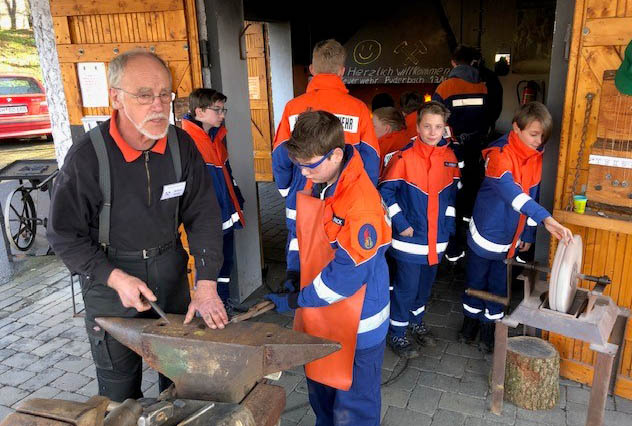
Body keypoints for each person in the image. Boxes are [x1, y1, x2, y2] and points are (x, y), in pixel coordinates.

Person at [47, 49, 227, 402]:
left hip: (170, 273)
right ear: (115, 97)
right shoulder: (88, 156)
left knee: (180, 383)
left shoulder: (181, 146)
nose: (158, 106)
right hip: (110, 280)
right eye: (144, 95)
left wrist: (206, 283)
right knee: (118, 395)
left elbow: (203, 214)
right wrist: (115, 278)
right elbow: (64, 234)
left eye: (165, 95)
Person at [266, 111, 391, 426]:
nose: (304, 174)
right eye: (299, 166)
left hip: (357, 322)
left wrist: (298, 301)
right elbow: (300, 235)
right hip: (321, 313)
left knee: (352, 411)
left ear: (336, 154)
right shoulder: (316, 180)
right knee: (322, 397)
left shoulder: (360, 204)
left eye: (309, 166)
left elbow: (346, 277)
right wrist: (294, 274)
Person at [460, 102, 572, 353]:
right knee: (477, 279)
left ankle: (490, 327)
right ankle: (470, 321)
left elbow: (533, 193)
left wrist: (529, 232)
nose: (539, 140)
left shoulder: (536, 158)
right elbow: (514, 195)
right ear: (516, 128)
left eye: (542, 135)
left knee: (500, 283)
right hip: (486, 231)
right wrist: (546, 219)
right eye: (534, 134)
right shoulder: (498, 154)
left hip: (513, 234)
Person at [271, 39, 380, 280]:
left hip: (303, 190)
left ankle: (298, 296)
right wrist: (365, 193)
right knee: (337, 248)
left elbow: (280, 153)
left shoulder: (293, 107)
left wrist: (286, 189)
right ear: (342, 71)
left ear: (312, 69)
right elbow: (371, 158)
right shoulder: (359, 108)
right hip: (345, 196)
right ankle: (328, 300)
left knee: (299, 243)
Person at [379, 102, 460, 358]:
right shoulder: (404, 157)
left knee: (424, 288)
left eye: (438, 127)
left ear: (444, 128)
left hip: (437, 240)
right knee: (405, 289)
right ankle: (398, 333)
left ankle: (416, 323)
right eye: (427, 126)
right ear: (417, 127)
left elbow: (452, 199)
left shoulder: (449, 157)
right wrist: (401, 224)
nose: (433, 132)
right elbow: (385, 193)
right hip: (409, 241)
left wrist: (448, 228)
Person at [181, 88, 245, 313]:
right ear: (199, 111)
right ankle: (206, 311)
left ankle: (222, 306)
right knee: (209, 268)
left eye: (222, 109)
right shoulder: (189, 143)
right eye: (217, 110)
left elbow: (227, 178)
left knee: (225, 265)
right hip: (208, 223)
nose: (222, 115)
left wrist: (237, 201)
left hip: (224, 217)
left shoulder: (214, 139)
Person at [433, 45, 490, 263]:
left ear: (453, 63)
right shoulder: (483, 87)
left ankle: (453, 245)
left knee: (451, 195)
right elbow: (488, 118)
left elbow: (436, 123)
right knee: (471, 193)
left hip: (453, 152)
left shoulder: (446, 87)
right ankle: (473, 240)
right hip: (475, 150)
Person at [372, 106, 411, 170]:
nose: (370, 129)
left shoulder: (380, 148)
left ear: (387, 128)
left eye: (373, 126)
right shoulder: (410, 141)